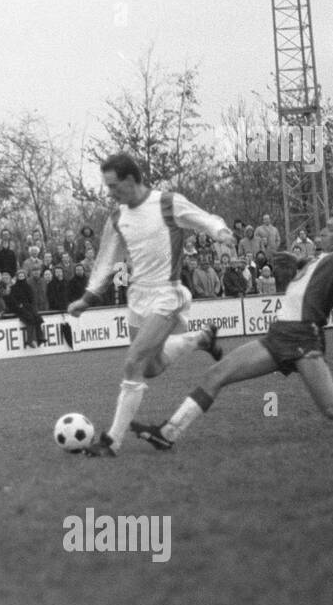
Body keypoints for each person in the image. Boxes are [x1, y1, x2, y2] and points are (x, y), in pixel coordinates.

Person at [130, 166, 333, 449]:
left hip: (303, 339)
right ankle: (168, 433)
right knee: (215, 374)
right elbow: (313, 283)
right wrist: (299, 262)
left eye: (330, 229)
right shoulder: (321, 259)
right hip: (278, 337)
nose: (322, 233)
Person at [71, 153, 230, 457]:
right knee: (151, 368)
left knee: (132, 361)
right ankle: (198, 339)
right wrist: (88, 298)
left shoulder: (167, 202)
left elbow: (203, 218)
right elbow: (106, 260)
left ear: (131, 180)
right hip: (138, 299)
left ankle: (111, 442)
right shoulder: (118, 218)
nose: (110, 192)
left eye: (113, 185)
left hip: (167, 295)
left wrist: (220, 231)